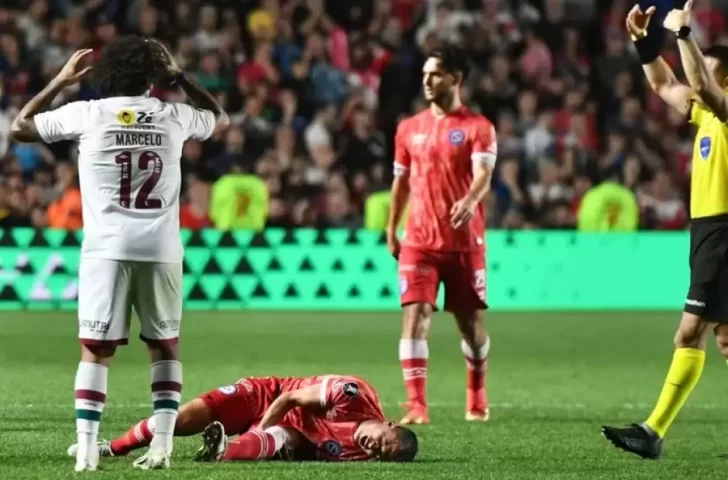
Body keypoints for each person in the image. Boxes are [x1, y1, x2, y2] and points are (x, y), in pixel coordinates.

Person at [9, 36, 229, 471]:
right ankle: (162, 447)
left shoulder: (89, 113)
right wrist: (181, 75)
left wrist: (60, 80)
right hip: (162, 249)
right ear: (154, 77)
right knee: (164, 347)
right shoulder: (173, 115)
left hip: (107, 248)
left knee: (96, 351)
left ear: (108, 73)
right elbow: (220, 120)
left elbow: (20, 126)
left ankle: (87, 449)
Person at [602, 1, 728, 459]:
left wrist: (684, 34)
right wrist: (642, 41)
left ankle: (653, 431)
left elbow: (703, 88)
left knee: (689, 333)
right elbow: (664, 83)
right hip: (710, 232)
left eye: (710, 72)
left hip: (723, 233)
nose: (700, 82)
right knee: (725, 339)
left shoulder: (725, 107)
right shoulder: (706, 114)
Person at [386, 43, 497, 425]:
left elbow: (484, 175)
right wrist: (391, 226)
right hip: (418, 241)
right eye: (424, 75)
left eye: (435, 74)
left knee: (469, 324)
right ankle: (416, 405)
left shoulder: (478, 128)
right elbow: (399, 183)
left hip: (465, 243)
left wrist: (469, 200)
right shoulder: (408, 128)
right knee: (415, 315)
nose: (428, 81)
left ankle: (476, 393)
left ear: (456, 78)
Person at [67, 375, 419, 463]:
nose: (374, 448)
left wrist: (266, 439)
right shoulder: (353, 394)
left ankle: (224, 450)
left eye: (380, 454)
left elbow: (307, 449)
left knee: (289, 440)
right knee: (182, 419)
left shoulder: (358, 455)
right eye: (383, 441)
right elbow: (289, 398)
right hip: (266, 395)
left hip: (288, 427)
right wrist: (259, 428)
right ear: (388, 423)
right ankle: (112, 448)